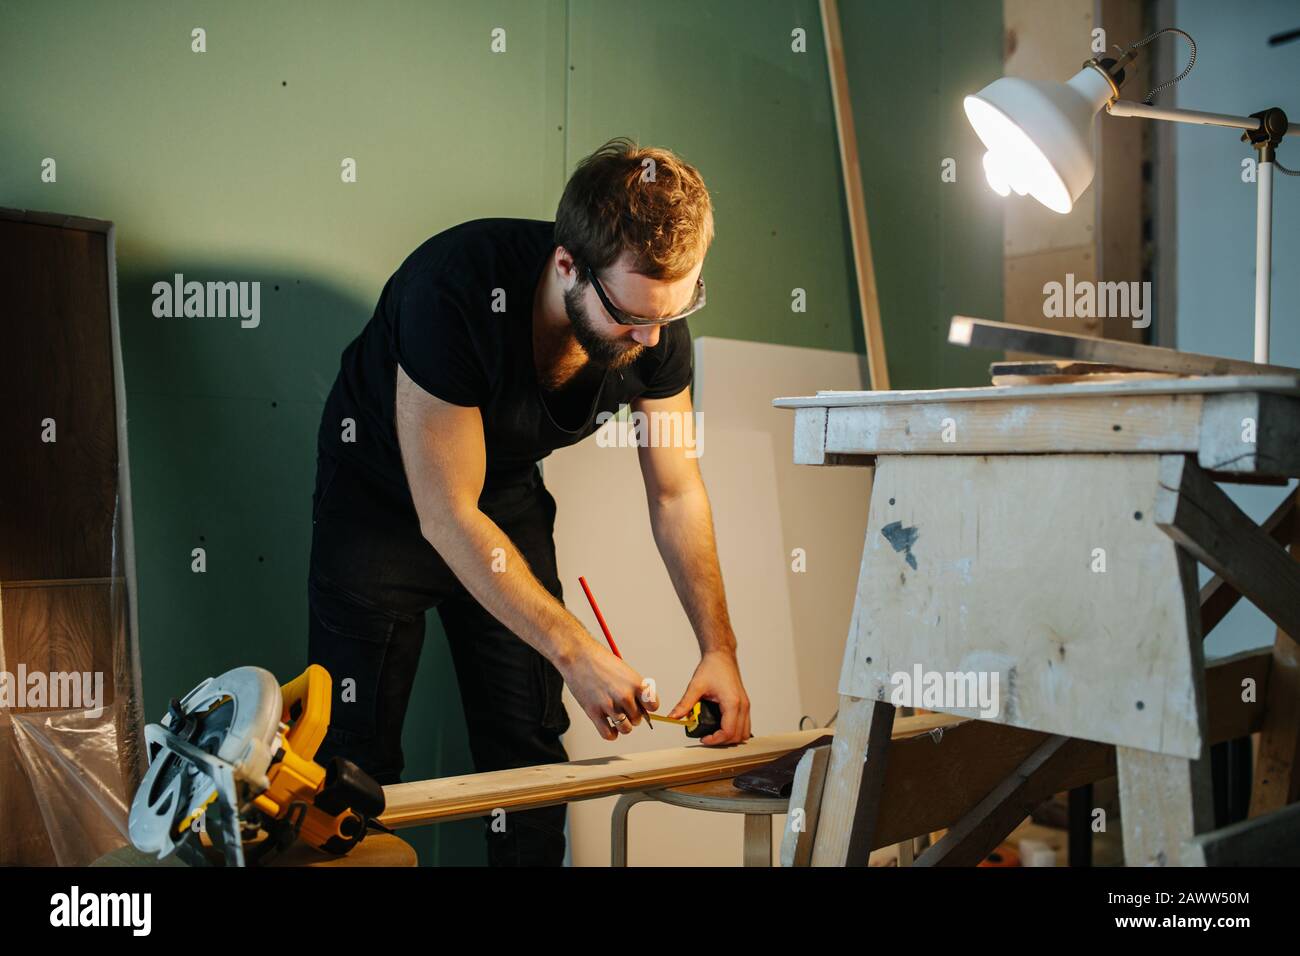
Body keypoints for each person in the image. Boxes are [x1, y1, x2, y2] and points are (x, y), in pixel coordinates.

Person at [308, 137, 752, 865]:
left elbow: (675, 492)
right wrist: (578, 650)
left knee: (529, 756)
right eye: (630, 315)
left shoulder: (655, 325)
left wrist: (719, 650)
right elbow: (447, 513)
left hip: (502, 487)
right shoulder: (452, 290)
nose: (651, 339)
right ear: (567, 264)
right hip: (381, 500)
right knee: (355, 766)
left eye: (673, 312)